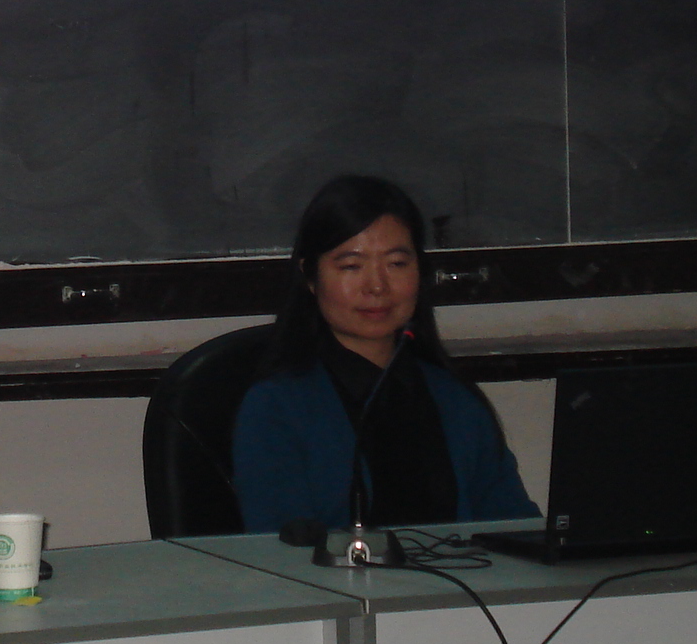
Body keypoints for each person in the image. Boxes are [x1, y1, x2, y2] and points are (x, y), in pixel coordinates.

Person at [230, 175, 537, 534]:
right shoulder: (276, 408)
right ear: (310, 277)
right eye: (351, 266)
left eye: (397, 264)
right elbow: (282, 549)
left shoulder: (455, 401)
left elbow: (519, 532)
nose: (377, 286)